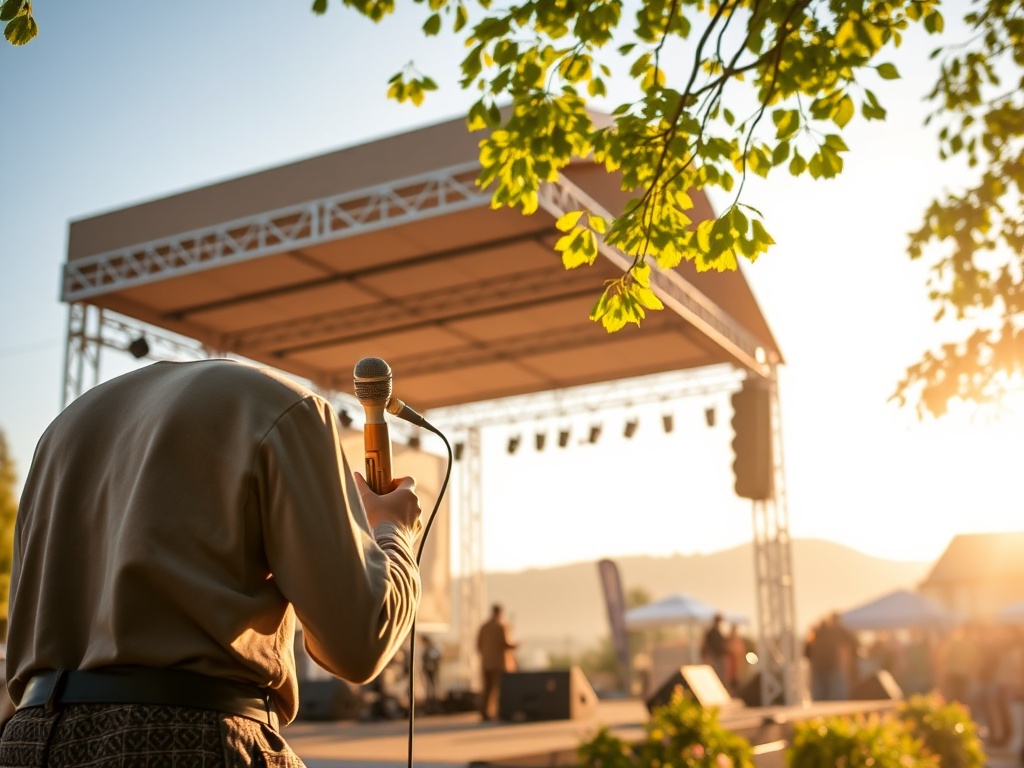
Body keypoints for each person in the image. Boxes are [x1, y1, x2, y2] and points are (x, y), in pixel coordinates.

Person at [0, 359, 423, 767]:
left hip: (29, 740)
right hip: (187, 737)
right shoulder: (288, 409)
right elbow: (359, 642)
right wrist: (392, 532)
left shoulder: (63, 428)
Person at [476, 604, 517, 721]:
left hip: (486, 663)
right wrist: (516, 645)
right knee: (498, 689)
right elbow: (506, 644)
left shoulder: (484, 627)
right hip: (499, 663)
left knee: (487, 689)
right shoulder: (501, 626)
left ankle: (485, 712)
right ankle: (499, 712)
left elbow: (478, 645)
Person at [700, 613, 728, 685]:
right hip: (715, 656)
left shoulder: (714, 631)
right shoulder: (713, 632)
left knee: (718, 673)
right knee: (717, 674)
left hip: (717, 655)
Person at [420, 635, 442, 713]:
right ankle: (431, 702)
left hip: (433, 671)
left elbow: (437, 658)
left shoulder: (432, 649)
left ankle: (433, 703)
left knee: (433, 687)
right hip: (429, 671)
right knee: (430, 687)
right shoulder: (428, 649)